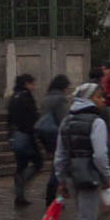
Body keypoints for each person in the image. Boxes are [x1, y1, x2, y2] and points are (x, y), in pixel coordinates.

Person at [53, 81, 110, 220]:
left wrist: (61, 179)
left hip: (71, 175)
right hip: (89, 177)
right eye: (99, 97)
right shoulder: (97, 122)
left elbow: (60, 154)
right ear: (89, 99)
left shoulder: (67, 121)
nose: (103, 100)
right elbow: (100, 155)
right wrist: (106, 176)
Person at [7, 73, 43, 206]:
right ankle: (21, 182)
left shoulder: (13, 97)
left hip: (16, 136)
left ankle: (19, 195)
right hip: (26, 135)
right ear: (26, 84)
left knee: (21, 165)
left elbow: (9, 119)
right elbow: (32, 117)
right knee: (38, 162)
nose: (34, 86)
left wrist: (10, 136)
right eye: (32, 83)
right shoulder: (26, 97)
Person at [37, 75, 72, 205]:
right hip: (56, 134)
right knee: (58, 166)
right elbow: (64, 120)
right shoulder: (61, 99)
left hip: (44, 134)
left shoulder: (46, 98)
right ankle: (51, 197)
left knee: (55, 163)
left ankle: (51, 197)